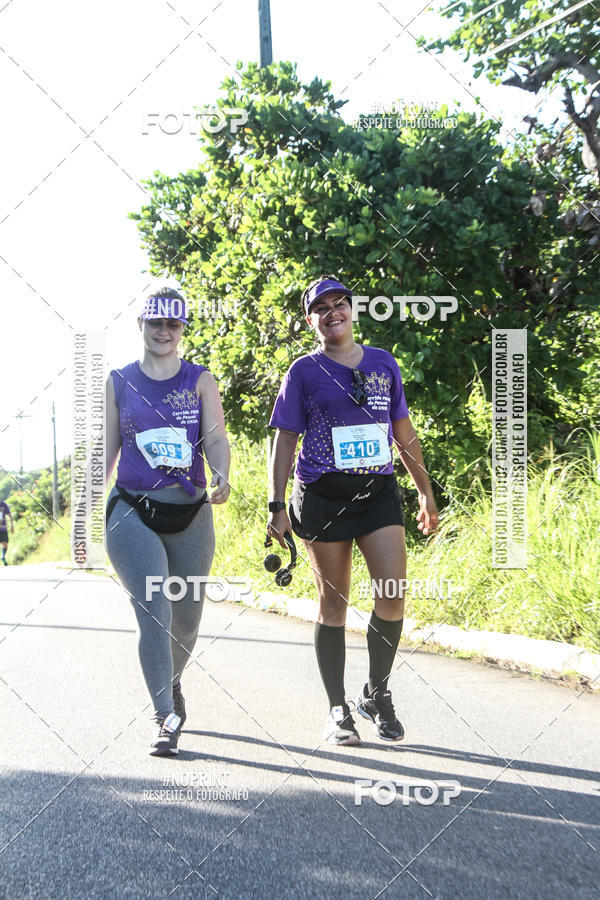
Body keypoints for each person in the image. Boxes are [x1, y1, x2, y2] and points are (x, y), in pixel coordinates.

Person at [267, 276, 438, 746]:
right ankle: (337, 709)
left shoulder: (383, 364)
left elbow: (402, 431)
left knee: (392, 593)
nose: (332, 312)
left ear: (352, 309)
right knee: (334, 602)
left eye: (339, 303)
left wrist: (424, 490)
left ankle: (376, 693)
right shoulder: (303, 371)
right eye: (320, 308)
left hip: (378, 490)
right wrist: (276, 505)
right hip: (323, 494)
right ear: (310, 321)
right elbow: (284, 438)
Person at [104, 288, 230, 757]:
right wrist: (83, 511)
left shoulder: (201, 381)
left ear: (182, 330)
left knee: (187, 620)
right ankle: (164, 715)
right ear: (140, 324)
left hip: (190, 510)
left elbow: (215, 439)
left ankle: (172, 682)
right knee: (155, 611)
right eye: (155, 322)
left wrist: (222, 473)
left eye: (173, 324)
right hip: (132, 510)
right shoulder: (119, 381)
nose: (163, 331)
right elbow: (106, 451)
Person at [0, 499, 14, 565]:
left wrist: (12, 526)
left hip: (2, 529)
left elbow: (10, 516)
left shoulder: (4, 505)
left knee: (5, 544)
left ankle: (2, 556)